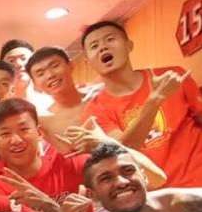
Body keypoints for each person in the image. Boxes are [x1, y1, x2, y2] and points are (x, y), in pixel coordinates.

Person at [0, 98, 165, 212]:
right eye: (5, 134)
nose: (16, 140)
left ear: (39, 132)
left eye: (24, 130)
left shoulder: (72, 164)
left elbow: (156, 179)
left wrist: (105, 143)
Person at [82, 20, 202, 187]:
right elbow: (123, 151)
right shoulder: (94, 111)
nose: (103, 47)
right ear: (88, 61)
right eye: (94, 46)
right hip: (159, 198)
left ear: (129, 45)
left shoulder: (173, 76)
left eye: (110, 39)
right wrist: (155, 100)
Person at [83, 142, 202, 212]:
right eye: (106, 178)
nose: (122, 182)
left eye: (128, 171)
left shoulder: (186, 205)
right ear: (92, 195)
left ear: (144, 177)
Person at [25, 46, 97, 154]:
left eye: (55, 66)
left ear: (71, 65)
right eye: (40, 74)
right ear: (35, 84)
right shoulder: (43, 123)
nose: (50, 75)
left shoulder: (99, 95)